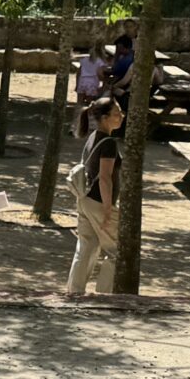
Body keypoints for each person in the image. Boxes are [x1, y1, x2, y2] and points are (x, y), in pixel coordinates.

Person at [68, 91, 123, 295]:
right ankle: (105, 294)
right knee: (116, 250)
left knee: (86, 246)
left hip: (84, 200)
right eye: (117, 113)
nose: (121, 116)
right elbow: (105, 177)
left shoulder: (93, 137)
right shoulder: (108, 143)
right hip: (99, 202)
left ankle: (74, 292)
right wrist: (108, 208)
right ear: (105, 118)